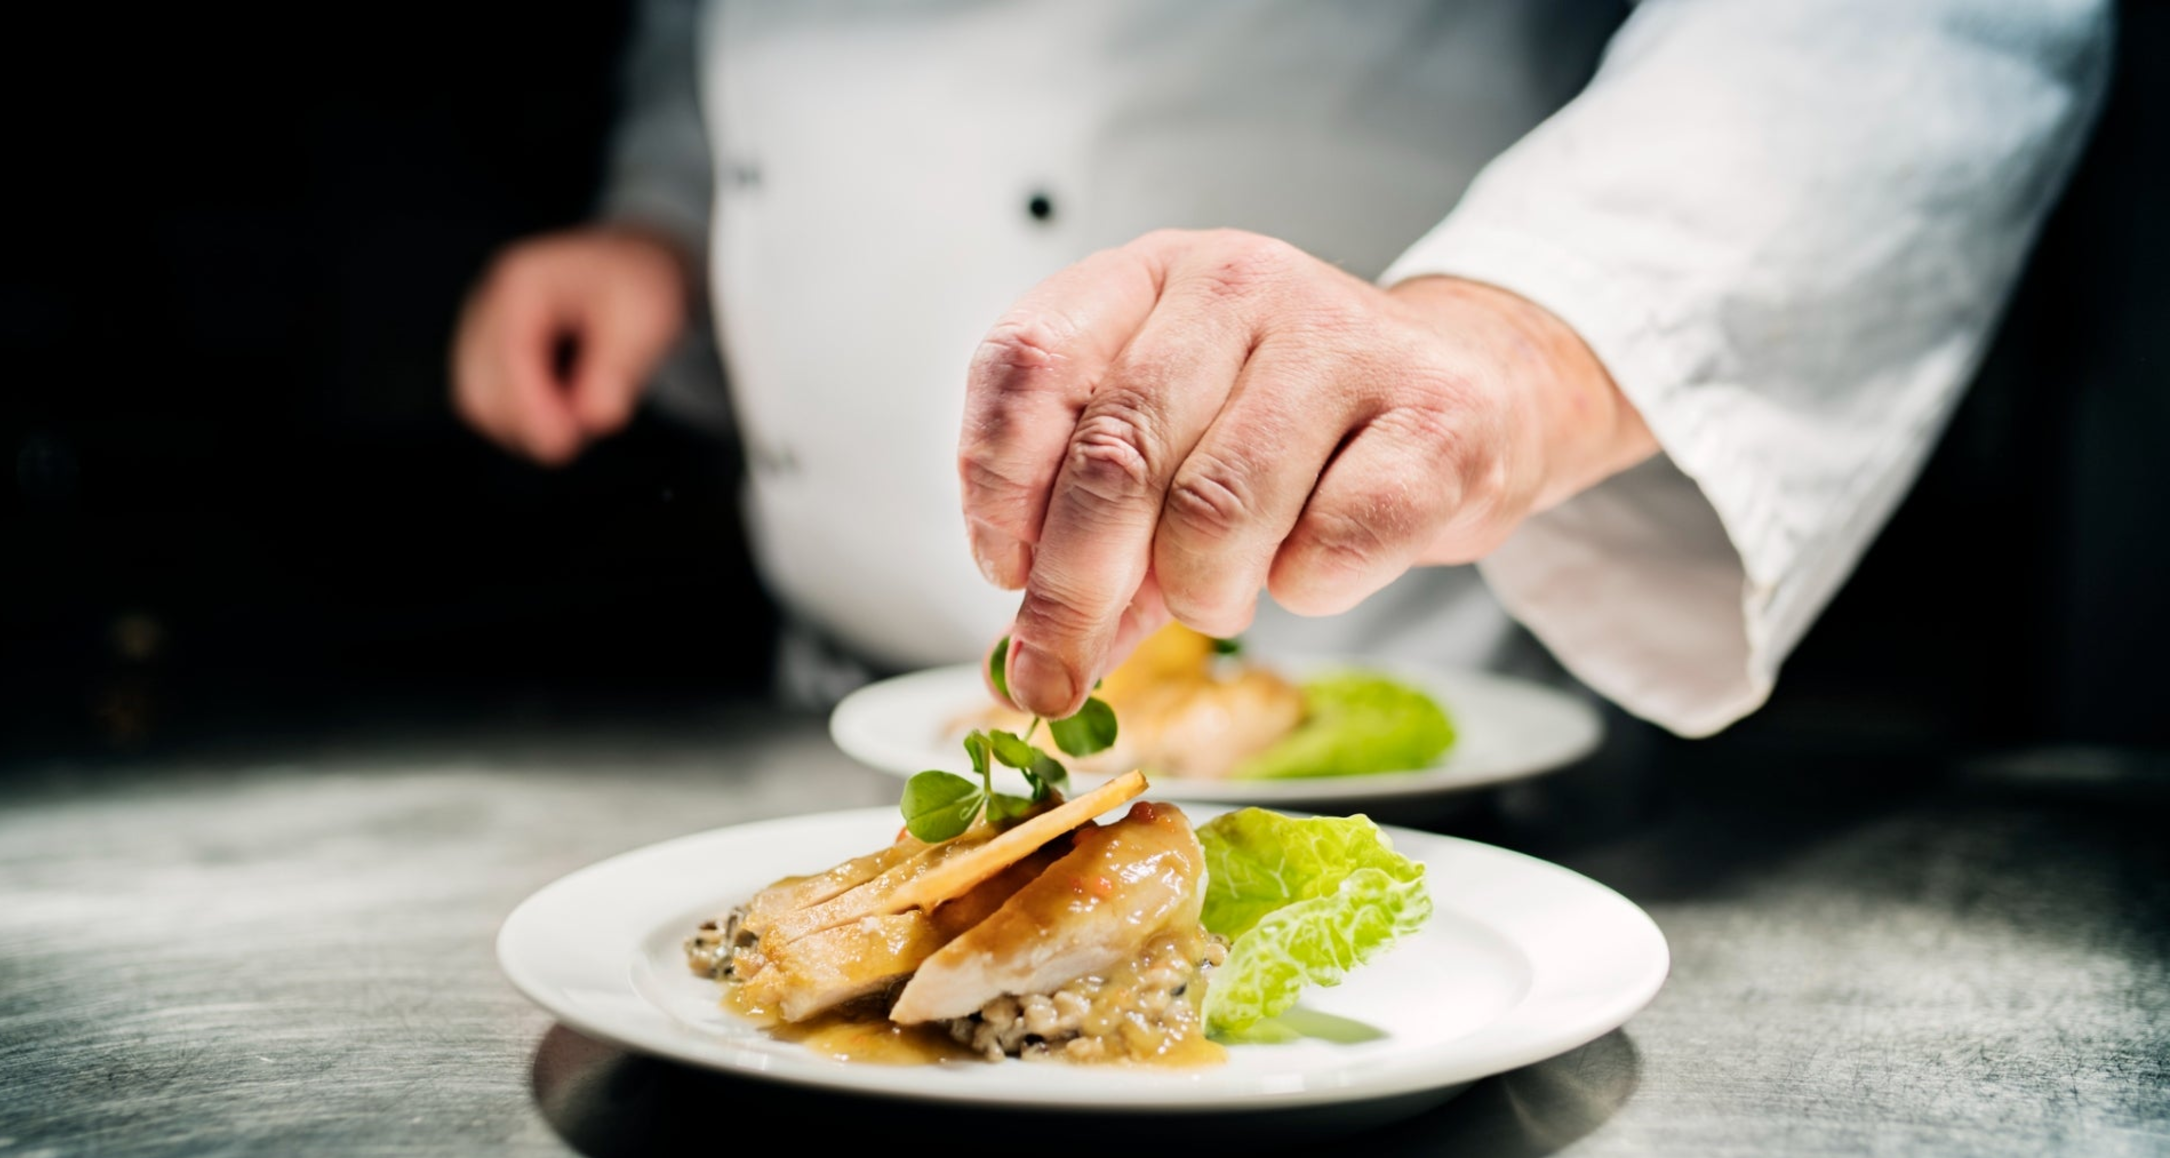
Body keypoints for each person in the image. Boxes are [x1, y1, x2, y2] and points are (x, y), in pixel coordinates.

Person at [451, 0, 2110, 733]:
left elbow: (1893, 23)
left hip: (1409, 694)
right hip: (822, 705)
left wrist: (1528, 339)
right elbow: (727, 39)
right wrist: (662, 217)